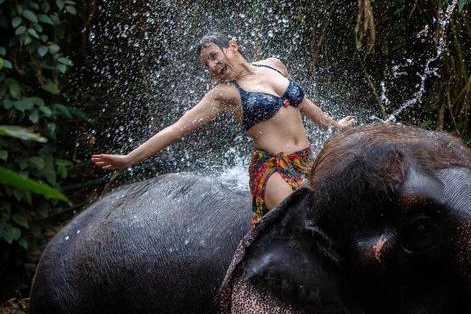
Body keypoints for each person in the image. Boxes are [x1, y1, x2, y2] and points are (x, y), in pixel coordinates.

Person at [91, 32, 355, 223]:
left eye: (214, 56)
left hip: (304, 161)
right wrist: (128, 160)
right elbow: (176, 129)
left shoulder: (274, 65)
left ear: (232, 46)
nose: (212, 66)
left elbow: (302, 103)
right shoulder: (223, 95)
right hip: (271, 168)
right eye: (206, 64)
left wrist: (332, 125)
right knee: (300, 220)